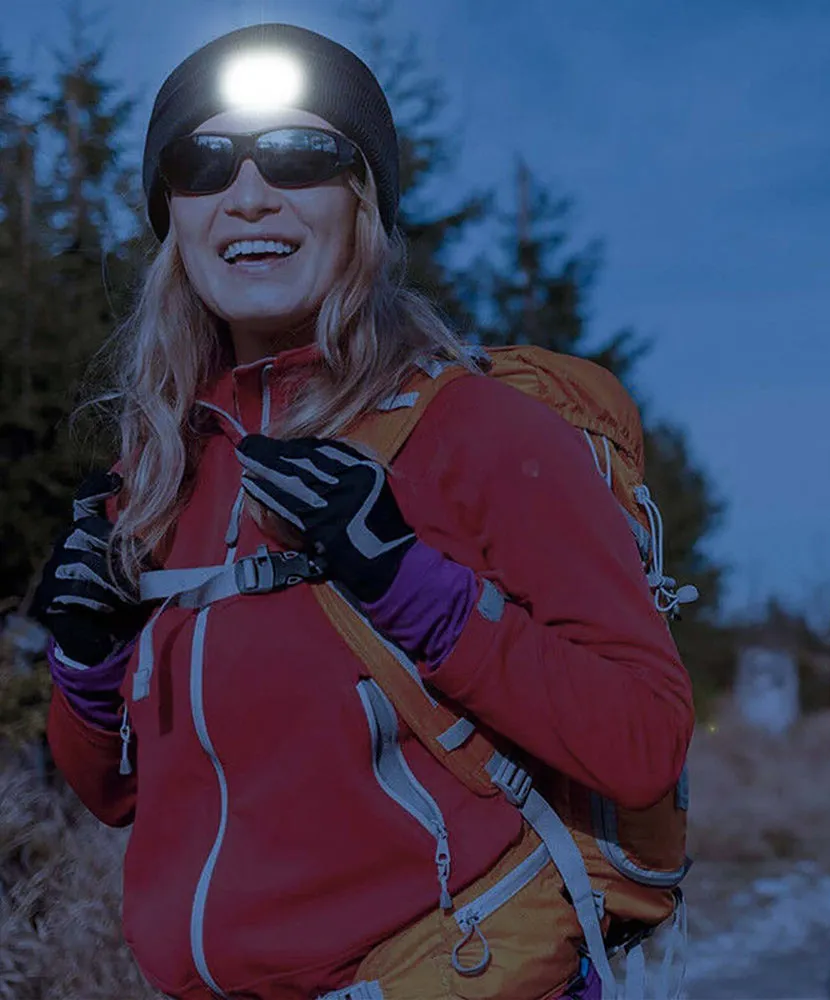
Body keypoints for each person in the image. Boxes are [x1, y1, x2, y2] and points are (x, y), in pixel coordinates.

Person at [29, 23, 694, 1000]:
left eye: (302, 156)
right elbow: (116, 794)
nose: (249, 194)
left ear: (365, 203)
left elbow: (641, 740)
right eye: (203, 163)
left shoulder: (477, 430)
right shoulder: (162, 469)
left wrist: (408, 585)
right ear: (173, 214)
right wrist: (87, 667)